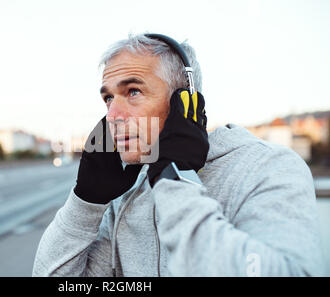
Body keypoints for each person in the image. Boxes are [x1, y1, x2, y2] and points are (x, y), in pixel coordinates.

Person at [32, 33, 324, 276]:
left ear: (186, 100)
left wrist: (175, 182)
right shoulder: (127, 191)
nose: (112, 115)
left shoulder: (267, 168)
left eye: (133, 92)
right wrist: (86, 203)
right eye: (108, 98)